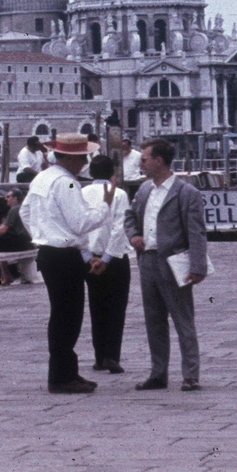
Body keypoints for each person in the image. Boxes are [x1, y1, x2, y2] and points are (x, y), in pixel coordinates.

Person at [22, 133, 116, 393]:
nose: (85, 162)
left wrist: (42, 234)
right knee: (69, 316)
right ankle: (62, 376)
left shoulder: (42, 177)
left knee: (61, 314)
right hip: (64, 255)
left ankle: (66, 371)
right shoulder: (68, 184)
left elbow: (25, 212)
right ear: (72, 158)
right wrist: (105, 206)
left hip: (48, 252)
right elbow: (80, 223)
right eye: (82, 157)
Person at [125, 138, 208, 392]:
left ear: (158, 161)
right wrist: (133, 235)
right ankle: (158, 373)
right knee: (154, 320)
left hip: (174, 262)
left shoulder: (186, 193)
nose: (140, 164)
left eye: (144, 160)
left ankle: (190, 374)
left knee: (183, 319)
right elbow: (130, 217)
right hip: (148, 261)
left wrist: (198, 266)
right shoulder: (144, 190)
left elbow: (196, 232)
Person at [82, 155, 132, 375]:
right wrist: (108, 257)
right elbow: (120, 228)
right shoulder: (119, 194)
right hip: (115, 257)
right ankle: (112, 354)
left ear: (90, 173)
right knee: (116, 308)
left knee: (96, 306)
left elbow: (79, 227)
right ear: (112, 173)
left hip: (90, 258)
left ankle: (100, 356)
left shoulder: (81, 193)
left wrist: (88, 257)